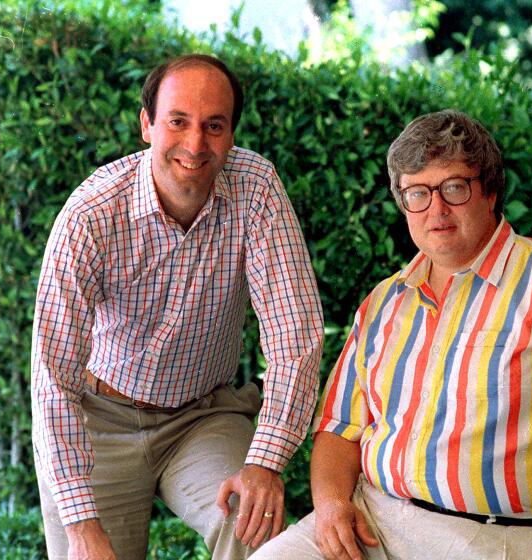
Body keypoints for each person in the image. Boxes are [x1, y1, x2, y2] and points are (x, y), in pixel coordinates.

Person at [254, 109, 532, 560]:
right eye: (418, 193)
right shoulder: (385, 301)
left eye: (454, 188)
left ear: (491, 191)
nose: (436, 209)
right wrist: (330, 507)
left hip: (497, 540)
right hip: (373, 524)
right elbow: (338, 429)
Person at [31, 53, 324, 560]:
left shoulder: (255, 190)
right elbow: (53, 376)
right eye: (177, 121)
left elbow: (294, 336)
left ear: (231, 133)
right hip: (98, 421)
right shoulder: (91, 217)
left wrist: (266, 461)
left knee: (256, 531)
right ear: (147, 124)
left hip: (202, 417)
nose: (195, 144)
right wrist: (81, 525)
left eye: (214, 125)